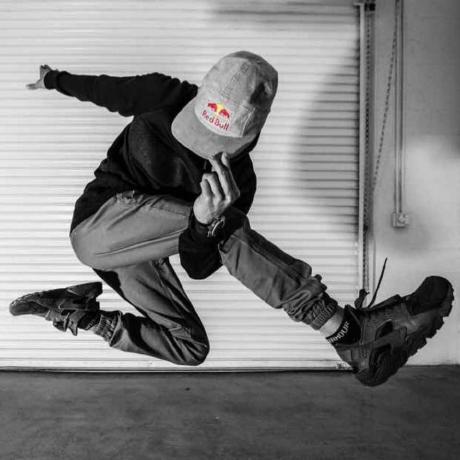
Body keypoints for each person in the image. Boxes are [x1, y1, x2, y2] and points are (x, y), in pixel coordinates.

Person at [10, 51, 454, 387]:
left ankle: (79, 314)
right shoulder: (161, 96)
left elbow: (197, 266)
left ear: (251, 133)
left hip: (136, 255)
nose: (201, 146)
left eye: (217, 140)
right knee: (225, 225)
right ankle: (346, 331)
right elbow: (100, 88)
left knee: (190, 347)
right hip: (98, 227)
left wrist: (202, 225)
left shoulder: (239, 182)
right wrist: (53, 79)